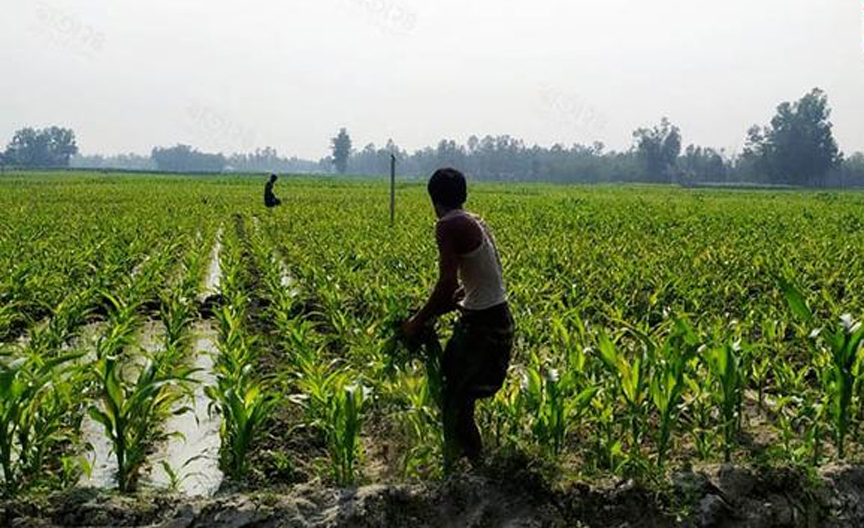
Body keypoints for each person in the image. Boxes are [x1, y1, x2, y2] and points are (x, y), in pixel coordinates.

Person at [402, 167, 514, 471]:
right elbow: (487, 276)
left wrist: (417, 321)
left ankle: (471, 470)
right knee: (459, 396)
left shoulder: (447, 225)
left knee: (454, 399)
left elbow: (446, 284)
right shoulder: (475, 220)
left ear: (433, 198)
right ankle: (470, 466)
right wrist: (460, 298)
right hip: (497, 316)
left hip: (482, 325)